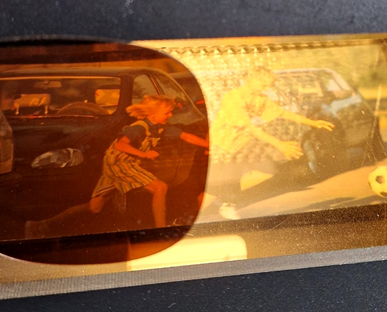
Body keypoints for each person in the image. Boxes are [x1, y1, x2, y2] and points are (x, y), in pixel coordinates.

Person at [25, 95, 208, 238]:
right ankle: (161, 230)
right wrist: (144, 154)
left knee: (94, 206)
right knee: (160, 187)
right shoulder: (139, 127)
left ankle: (41, 225)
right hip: (119, 163)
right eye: (167, 113)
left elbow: (186, 136)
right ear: (153, 114)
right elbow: (121, 145)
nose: (170, 115)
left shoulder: (161, 127)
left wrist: (210, 145)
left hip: (118, 164)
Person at [208, 67, 335, 219]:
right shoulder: (234, 97)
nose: (266, 88)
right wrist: (279, 144)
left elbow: (283, 113)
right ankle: (227, 203)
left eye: (268, 85)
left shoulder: (260, 98)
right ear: (252, 79)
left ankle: (224, 196)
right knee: (228, 179)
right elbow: (249, 127)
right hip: (221, 144)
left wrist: (312, 122)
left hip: (241, 143)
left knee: (268, 169)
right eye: (263, 84)